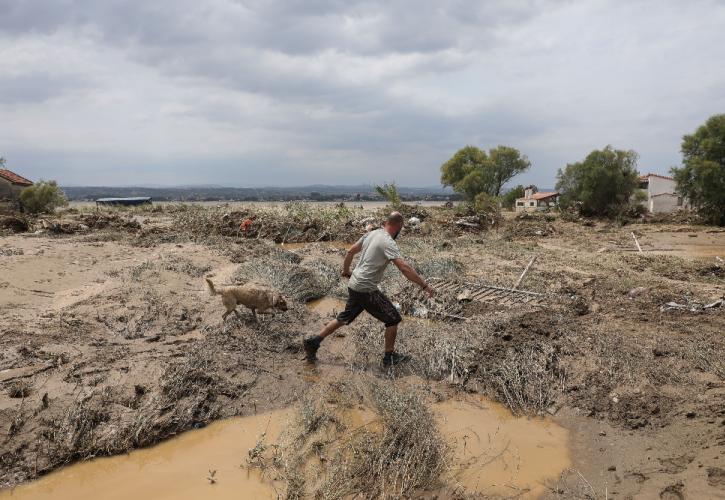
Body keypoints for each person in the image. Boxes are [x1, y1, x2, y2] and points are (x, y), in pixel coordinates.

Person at [303, 212, 435, 366]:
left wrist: (346, 271)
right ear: (399, 226)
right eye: (400, 228)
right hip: (366, 288)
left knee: (344, 317)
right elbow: (404, 268)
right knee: (393, 319)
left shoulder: (371, 234)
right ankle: (389, 357)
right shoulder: (388, 242)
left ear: (386, 222)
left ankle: (314, 341)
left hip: (354, 284)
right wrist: (424, 285)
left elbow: (350, 251)